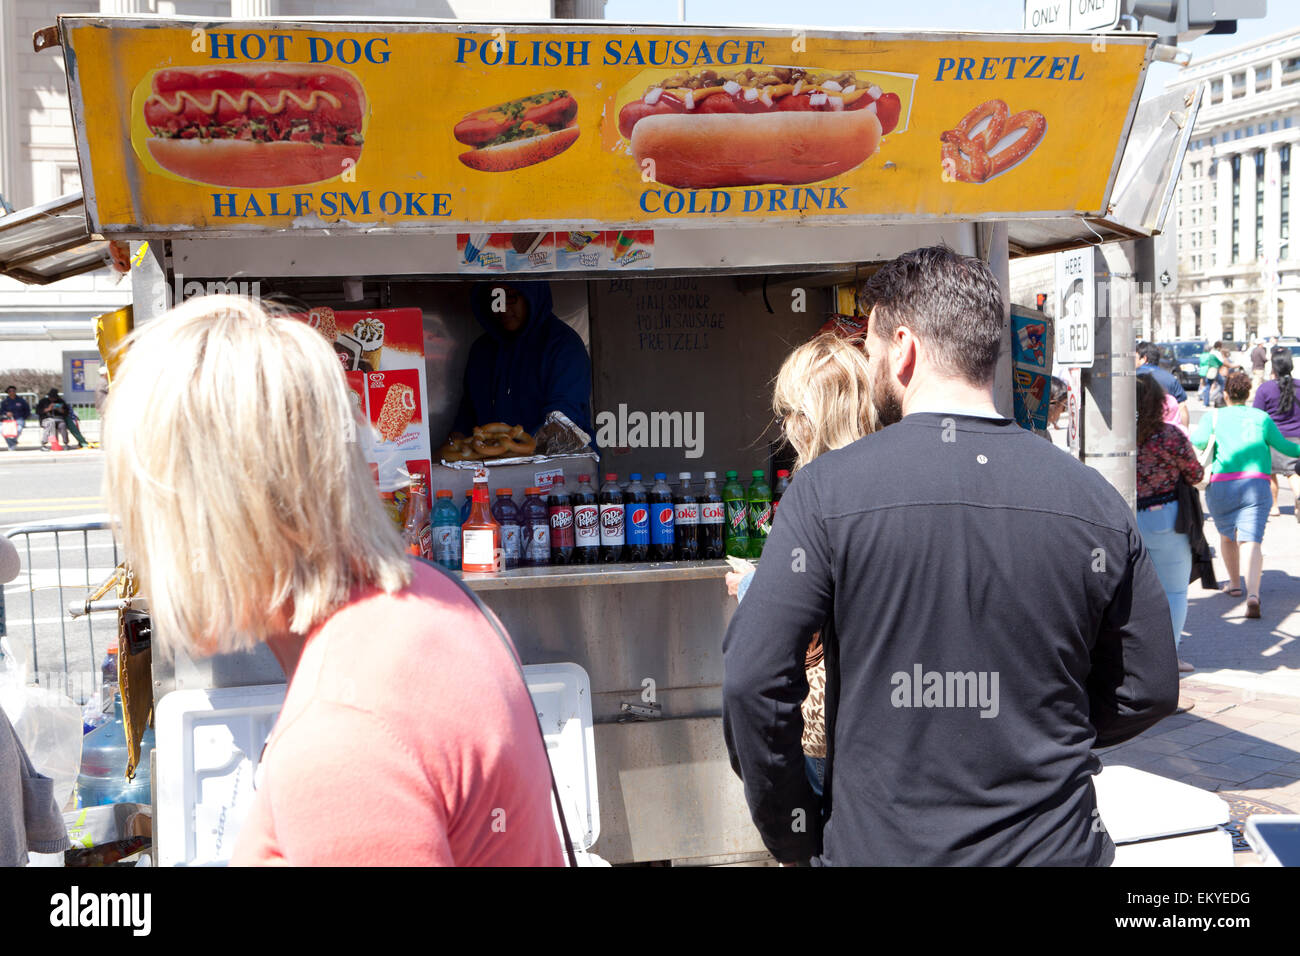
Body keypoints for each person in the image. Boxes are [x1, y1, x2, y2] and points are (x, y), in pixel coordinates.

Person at [723, 246, 1178, 867]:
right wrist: (1042, 731)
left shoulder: (827, 493)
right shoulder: (1090, 498)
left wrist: (794, 835)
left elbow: (754, 683)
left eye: (873, 347)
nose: (872, 363)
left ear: (904, 347)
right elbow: (1147, 686)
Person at [101, 295, 566, 866]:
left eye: (147, 514)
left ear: (219, 516)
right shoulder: (428, 596)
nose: (142, 551)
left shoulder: (346, 733)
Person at [724, 333, 879, 798]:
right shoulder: (894, 479)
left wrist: (752, 587)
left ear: (811, 418)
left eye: (790, 413)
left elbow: (794, 631)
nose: (787, 427)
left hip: (825, 727)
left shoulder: (812, 492)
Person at [1192, 369, 1300, 619]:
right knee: (1252, 540)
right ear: (1248, 394)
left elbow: (1197, 441)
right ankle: (1253, 594)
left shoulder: (1214, 417)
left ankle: (1234, 584)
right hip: (1257, 485)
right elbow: (1284, 447)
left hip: (1222, 486)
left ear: (1227, 394)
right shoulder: (1261, 418)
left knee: (1227, 536)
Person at [450, 281, 593, 440]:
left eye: (510, 296)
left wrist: (516, 453)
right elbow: (467, 418)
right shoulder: (482, 351)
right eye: (495, 297)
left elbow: (562, 419)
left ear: (531, 294)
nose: (502, 307)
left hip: (557, 462)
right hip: (490, 462)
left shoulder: (563, 346)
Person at [1135, 374, 1203, 674]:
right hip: (1166, 516)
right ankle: (1168, 657)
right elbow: (1196, 474)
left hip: (1125, 518)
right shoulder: (1170, 436)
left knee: (1132, 592)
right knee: (1174, 591)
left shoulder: (1115, 437)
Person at [1253, 347, 1300, 520]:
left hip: (1273, 438)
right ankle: (1298, 498)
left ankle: (1274, 506)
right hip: (1297, 439)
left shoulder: (1265, 389)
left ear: (1273, 367)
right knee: (1294, 473)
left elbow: (1257, 415)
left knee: (1271, 473)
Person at [1136, 342, 1189, 428]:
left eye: (1135, 358)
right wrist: (1184, 432)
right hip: (1165, 432)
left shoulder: (1133, 377)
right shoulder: (1170, 378)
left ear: (1144, 359)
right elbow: (1182, 407)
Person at [0, 386, 30, 451]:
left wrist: (23, 417)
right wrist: (6, 413)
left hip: (19, 419)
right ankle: (13, 443)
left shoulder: (21, 401)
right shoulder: (4, 402)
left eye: (13, 391)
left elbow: (27, 410)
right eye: (10, 391)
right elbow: (1, 411)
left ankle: (11, 445)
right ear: (8, 392)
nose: (12, 392)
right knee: (2, 430)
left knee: (18, 430)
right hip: (7, 421)